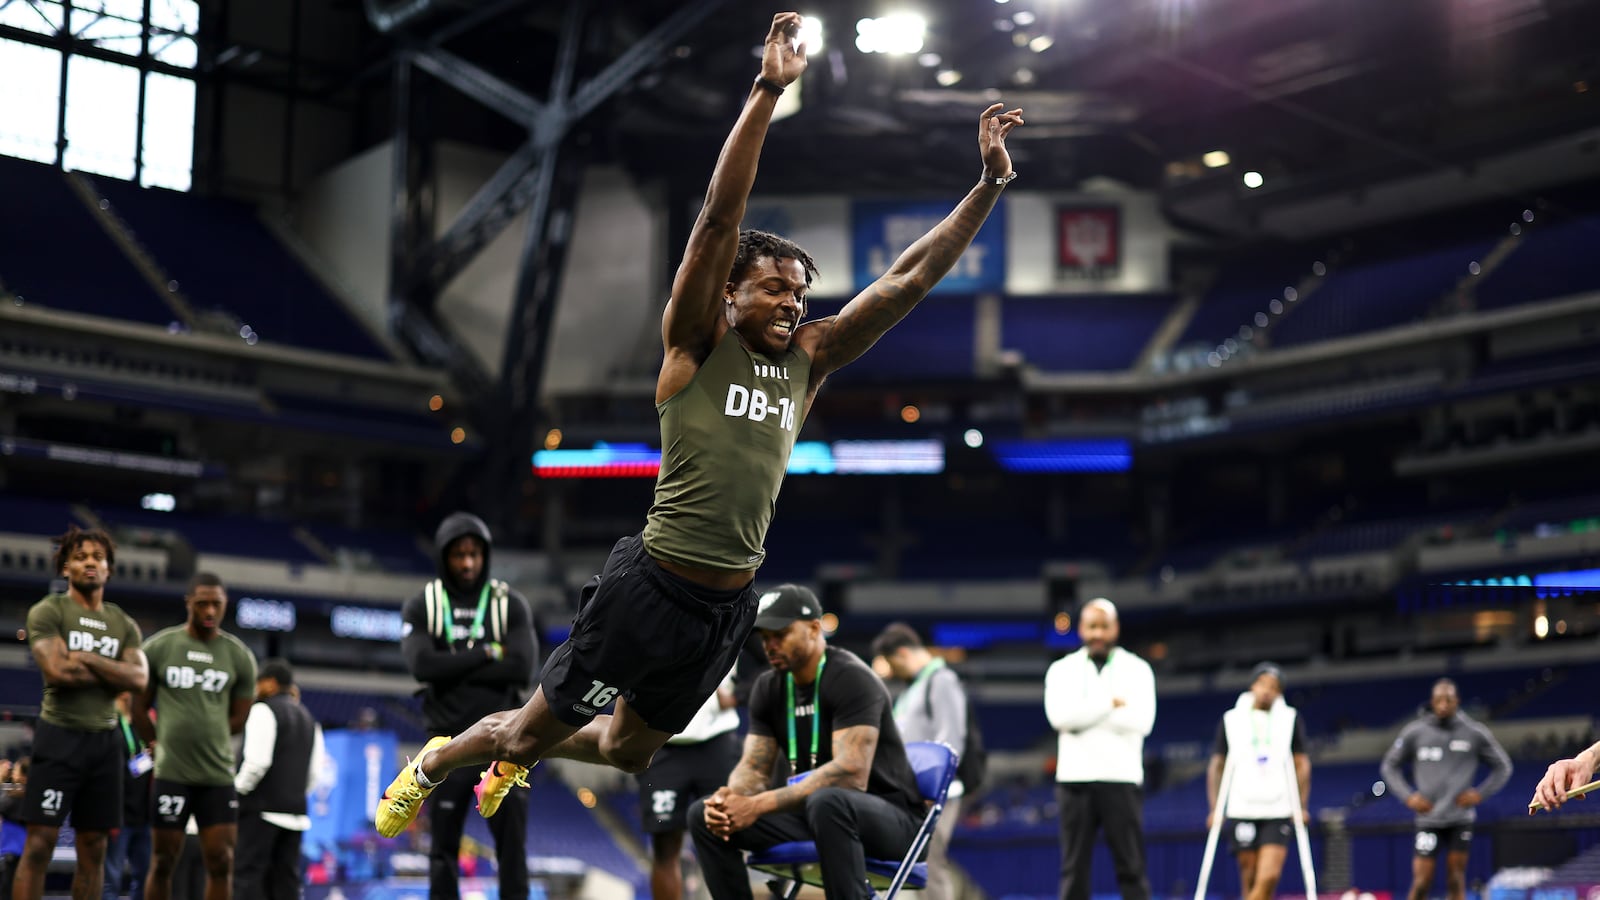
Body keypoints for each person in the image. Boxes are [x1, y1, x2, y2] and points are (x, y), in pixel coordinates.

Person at [372, 10, 1024, 839]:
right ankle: (436, 761)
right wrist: (766, 91)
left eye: (800, 292)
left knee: (629, 751)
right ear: (730, 294)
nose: (792, 300)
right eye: (775, 287)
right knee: (525, 727)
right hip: (648, 587)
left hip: (725, 609)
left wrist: (989, 185)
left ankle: (518, 757)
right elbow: (719, 218)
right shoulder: (693, 344)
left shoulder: (808, 362)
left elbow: (907, 278)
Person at [687, 585, 925, 900]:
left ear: (814, 629)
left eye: (780, 634)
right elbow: (754, 767)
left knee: (828, 800)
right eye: (764, 637)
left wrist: (756, 805)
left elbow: (850, 774)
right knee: (702, 816)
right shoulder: (768, 686)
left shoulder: (852, 678)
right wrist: (730, 799)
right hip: (814, 815)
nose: (770, 645)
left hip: (891, 820)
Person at [398, 512, 538, 900]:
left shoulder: (509, 603)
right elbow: (422, 666)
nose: (467, 563)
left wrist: (453, 662)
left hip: (504, 748)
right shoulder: (422, 604)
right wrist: (488, 654)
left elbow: (522, 668)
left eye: (474, 553)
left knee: (512, 851)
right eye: (458, 554)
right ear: (444, 556)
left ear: (485, 555)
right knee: (441, 849)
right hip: (446, 745)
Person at [15, 526, 150, 900]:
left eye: (97, 557)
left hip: (105, 744)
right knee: (40, 844)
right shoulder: (49, 610)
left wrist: (87, 657)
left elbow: (139, 679)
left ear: (109, 568)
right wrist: (111, 669)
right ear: (65, 568)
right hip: (60, 736)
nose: (90, 563)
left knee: (94, 849)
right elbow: (58, 671)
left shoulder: (123, 622)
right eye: (80, 557)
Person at [134, 573, 258, 900]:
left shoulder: (238, 655)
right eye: (202, 602)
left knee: (221, 861)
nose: (209, 610)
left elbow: (240, 716)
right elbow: (137, 707)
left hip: (217, 775)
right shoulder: (160, 647)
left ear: (224, 605)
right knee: (162, 861)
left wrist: (211, 736)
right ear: (188, 601)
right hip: (171, 774)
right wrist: (155, 742)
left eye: (216, 603)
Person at [1043, 598, 1156, 900]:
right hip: (1074, 782)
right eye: (1092, 626)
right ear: (1081, 629)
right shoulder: (1061, 670)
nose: (1098, 634)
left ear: (1115, 628)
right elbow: (1060, 717)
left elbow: (1142, 721)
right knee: (1073, 870)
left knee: (1131, 867)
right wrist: (1109, 703)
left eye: (1104, 626)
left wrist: (1082, 715)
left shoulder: (1138, 669)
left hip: (1121, 780)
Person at [1380, 678, 1512, 900]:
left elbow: (1503, 766)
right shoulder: (1415, 732)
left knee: (1455, 879)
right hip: (1428, 820)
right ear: (1432, 702)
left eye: (1448, 700)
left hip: (1460, 820)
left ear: (1457, 701)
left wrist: (1479, 793)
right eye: (1438, 700)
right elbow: (1389, 766)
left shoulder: (1474, 732)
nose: (1443, 705)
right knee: (1421, 882)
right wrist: (1408, 797)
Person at [870, 622, 968, 900]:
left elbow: (951, 741)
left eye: (893, 664)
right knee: (916, 868)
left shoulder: (941, 680)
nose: (894, 671)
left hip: (934, 795)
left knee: (931, 865)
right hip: (914, 795)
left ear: (902, 653)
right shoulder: (917, 686)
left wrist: (933, 789)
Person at [1204, 663, 1310, 900]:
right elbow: (1217, 765)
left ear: (1280, 692)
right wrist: (1214, 808)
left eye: (1274, 687)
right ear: (1253, 685)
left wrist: (1300, 805)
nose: (1267, 691)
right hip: (1243, 807)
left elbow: (1301, 763)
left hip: (1278, 807)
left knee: (1269, 876)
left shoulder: (1289, 719)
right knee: (1250, 875)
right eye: (1262, 684)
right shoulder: (1232, 719)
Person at [638, 668, 741, 900]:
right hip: (659, 742)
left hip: (718, 738)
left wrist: (740, 694)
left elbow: (766, 658)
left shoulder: (737, 630)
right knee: (664, 845)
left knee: (727, 837)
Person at [234, 659, 323, 900]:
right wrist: (293, 795)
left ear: (270, 684)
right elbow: (315, 772)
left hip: (261, 813)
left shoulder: (263, 710)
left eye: (258, 683)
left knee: (248, 876)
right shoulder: (309, 717)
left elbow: (257, 762)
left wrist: (235, 792)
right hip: (295, 815)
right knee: (286, 881)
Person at [105, 692, 155, 900]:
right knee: (112, 880)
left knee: (144, 877)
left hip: (144, 815)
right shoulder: (110, 723)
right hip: (119, 816)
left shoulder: (144, 723)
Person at [1, 757, 29, 900]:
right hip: (20, 851)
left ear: (24, 777)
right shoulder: (25, 793)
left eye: (16, 771)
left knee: (8, 891)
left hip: (14, 852)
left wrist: (1, 779)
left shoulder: (18, 795)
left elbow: (4, 801)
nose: (13, 775)